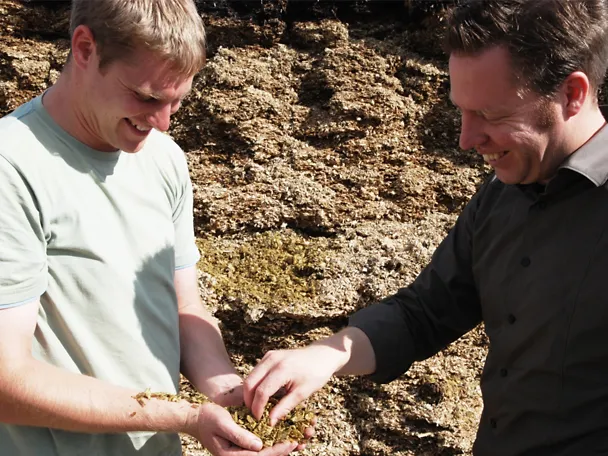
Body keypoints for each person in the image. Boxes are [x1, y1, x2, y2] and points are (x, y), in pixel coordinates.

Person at [242, 1, 608, 455]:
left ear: (572, 94)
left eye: (490, 116)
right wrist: (329, 354)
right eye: (461, 111)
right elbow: (427, 311)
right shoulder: (500, 195)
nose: (466, 139)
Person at [0, 1, 307, 455]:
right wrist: (184, 416)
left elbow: (185, 306)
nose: (162, 122)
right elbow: (7, 381)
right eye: (146, 97)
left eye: (176, 101)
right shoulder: (12, 167)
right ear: (85, 48)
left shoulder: (164, 160)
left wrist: (232, 399)